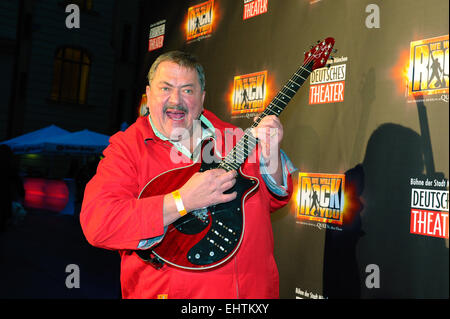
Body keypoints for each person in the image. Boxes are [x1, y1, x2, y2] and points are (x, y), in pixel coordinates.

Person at [80, 51, 296, 299]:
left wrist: (271, 155)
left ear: (202, 98)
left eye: (187, 90)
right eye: (165, 89)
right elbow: (99, 223)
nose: (176, 100)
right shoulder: (127, 149)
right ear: (148, 96)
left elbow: (276, 197)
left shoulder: (236, 138)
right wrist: (182, 201)